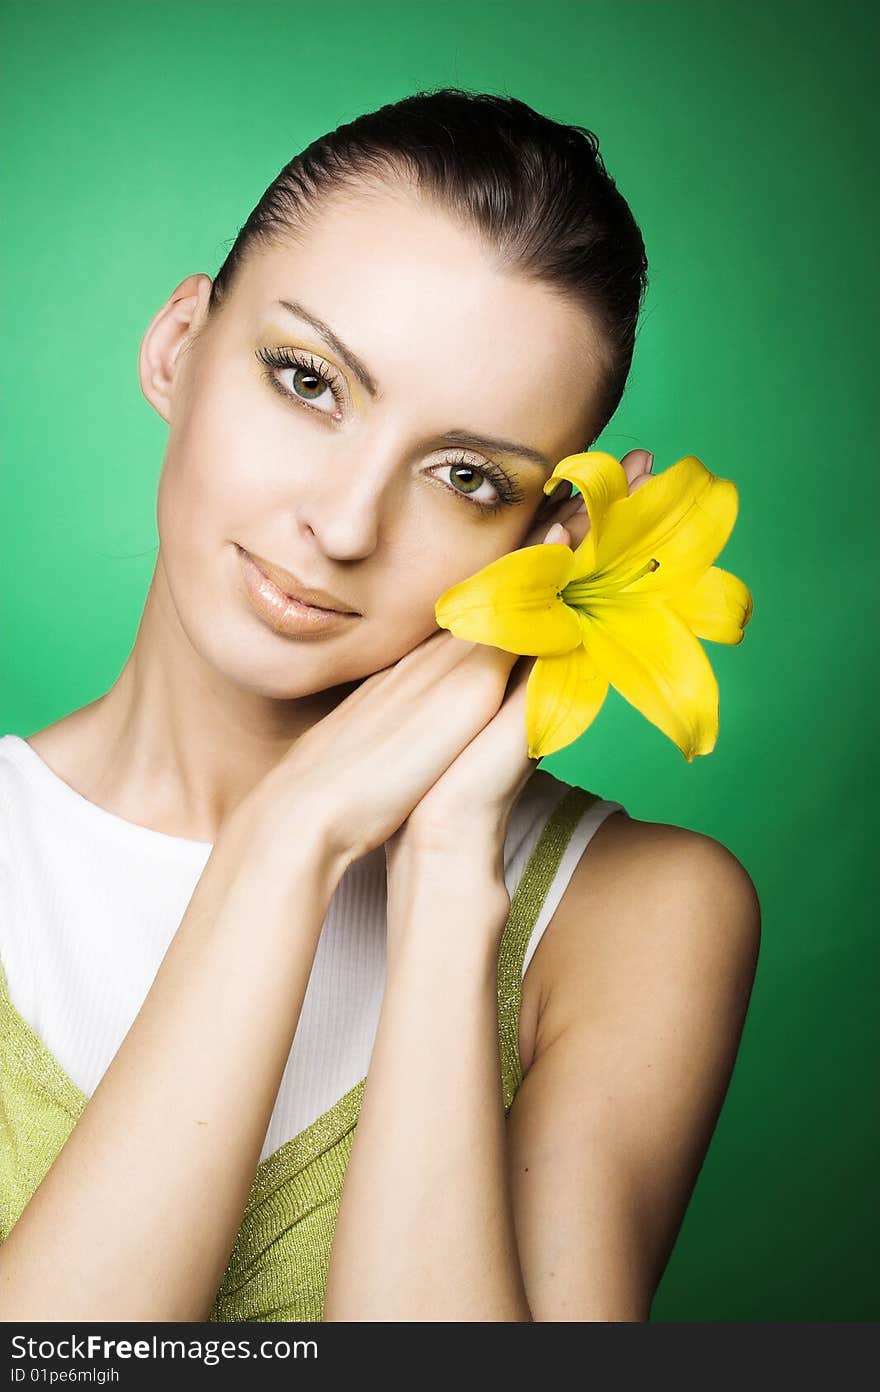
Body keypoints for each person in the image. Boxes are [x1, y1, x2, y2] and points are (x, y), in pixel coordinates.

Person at [0, 88, 760, 1322]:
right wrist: (282, 843)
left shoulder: (635, 916)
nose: (344, 524)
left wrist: (449, 872)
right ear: (178, 345)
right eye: (306, 380)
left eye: (467, 477)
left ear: (541, 541)